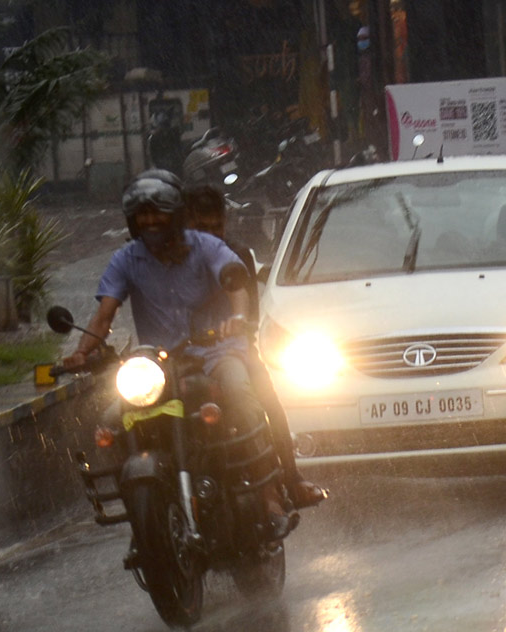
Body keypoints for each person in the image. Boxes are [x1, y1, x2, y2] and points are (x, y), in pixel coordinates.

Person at [61, 169, 325, 537]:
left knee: (245, 398)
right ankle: (142, 511)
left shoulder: (207, 246)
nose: (151, 221)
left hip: (220, 352)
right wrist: (82, 350)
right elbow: (105, 313)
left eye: (158, 213)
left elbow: (235, 281)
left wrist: (236, 316)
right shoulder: (125, 259)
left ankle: (270, 495)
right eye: (143, 215)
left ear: (176, 215)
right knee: (112, 417)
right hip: (158, 363)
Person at [180, 182, 325, 513]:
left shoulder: (238, 256)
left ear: (225, 222)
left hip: (232, 352)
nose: (211, 234)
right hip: (181, 358)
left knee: (265, 404)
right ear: (187, 223)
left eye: (216, 226)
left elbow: (250, 316)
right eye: (202, 227)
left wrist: (235, 330)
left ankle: (289, 479)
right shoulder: (170, 263)